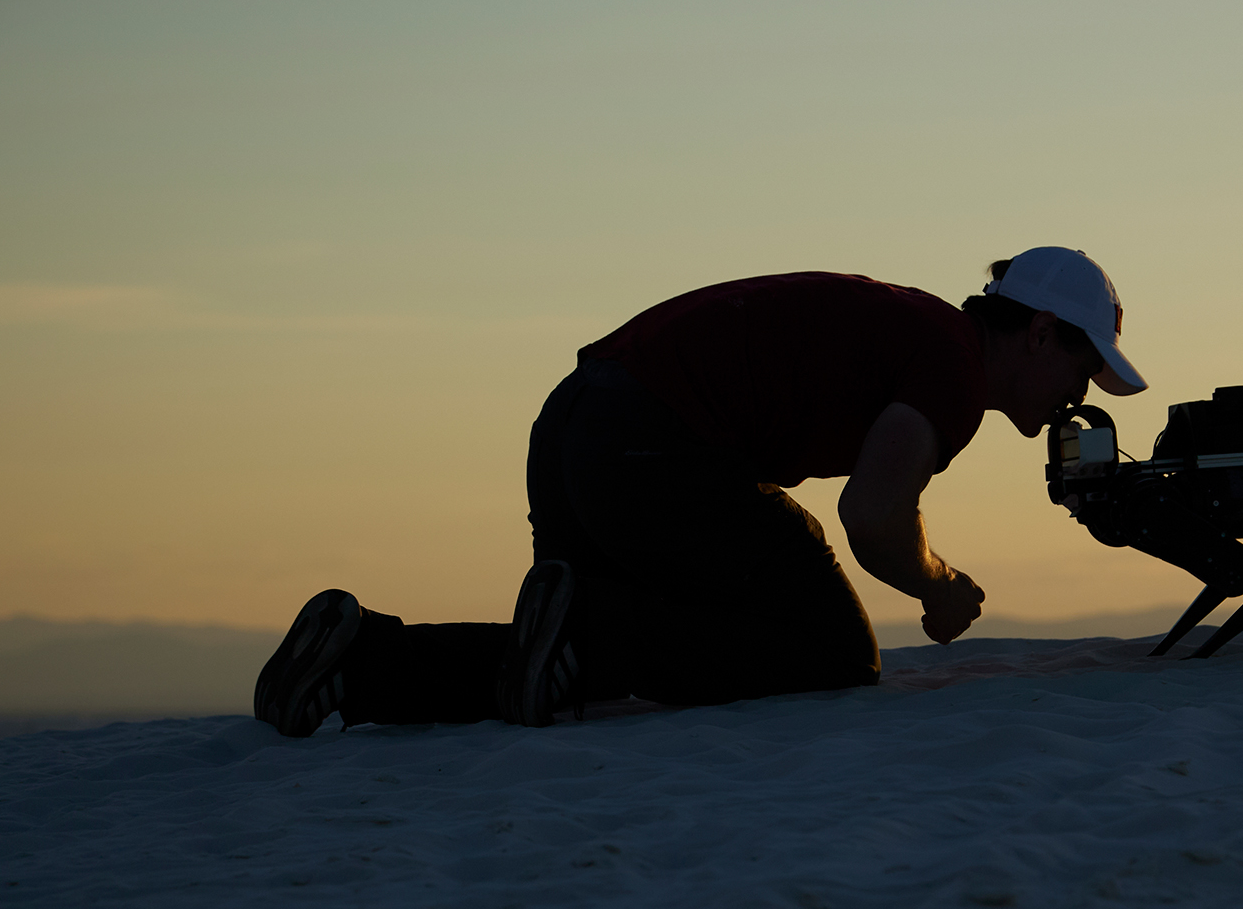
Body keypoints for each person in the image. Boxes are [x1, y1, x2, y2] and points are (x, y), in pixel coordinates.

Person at [254, 246, 1148, 736]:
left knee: (552, 667)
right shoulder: (950, 370)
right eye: (1081, 368)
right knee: (832, 650)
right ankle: (592, 622)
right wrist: (940, 587)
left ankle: (353, 659)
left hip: (574, 425)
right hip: (649, 443)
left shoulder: (917, 330)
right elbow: (873, 516)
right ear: (1036, 333)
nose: (1077, 397)